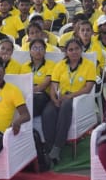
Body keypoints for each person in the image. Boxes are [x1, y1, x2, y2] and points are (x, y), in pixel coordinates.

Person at [42, 39, 98, 167]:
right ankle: (50, 149)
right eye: (70, 50)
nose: (74, 52)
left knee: (66, 105)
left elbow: (88, 88)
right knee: (48, 112)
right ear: (66, 52)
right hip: (60, 96)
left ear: (81, 50)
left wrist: (70, 96)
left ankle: (57, 147)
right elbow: (53, 86)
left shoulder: (89, 65)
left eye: (76, 49)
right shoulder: (60, 65)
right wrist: (54, 99)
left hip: (77, 98)